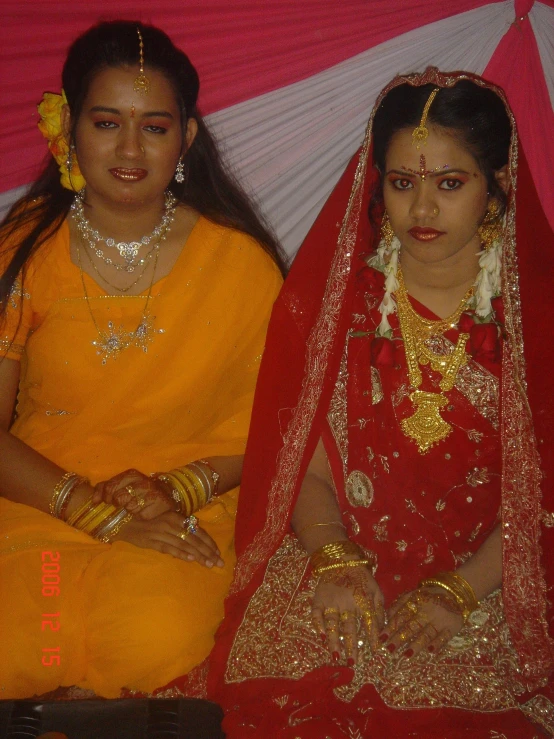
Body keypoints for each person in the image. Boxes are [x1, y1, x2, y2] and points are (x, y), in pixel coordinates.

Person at [204, 68, 554, 736]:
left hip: (495, 578)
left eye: (449, 183)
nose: (421, 209)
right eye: (402, 183)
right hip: (342, 556)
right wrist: (333, 557)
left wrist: (462, 589)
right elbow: (299, 464)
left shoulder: (537, 320)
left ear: (497, 186)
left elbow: (547, 497)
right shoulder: (338, 306)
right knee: (292, 701)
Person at [0, 20, 285, 699]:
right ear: (68, 127)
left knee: (150, 640)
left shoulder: (241, 265)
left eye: (154, 127)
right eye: (107, 122)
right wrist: (97, 513)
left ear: (185, 138)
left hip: (186, 512)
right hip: (42, 501)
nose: (130, 149)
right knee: (22, 639)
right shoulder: (23, 250)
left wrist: (180, 489)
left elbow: (288, 427)